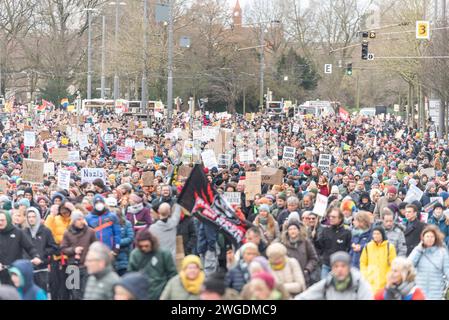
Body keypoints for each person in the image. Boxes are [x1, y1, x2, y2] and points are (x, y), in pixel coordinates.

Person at [296, 251, 373, 300]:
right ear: (332, 269)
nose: (339, 269)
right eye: (336, 266)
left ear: (349, 268)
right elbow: (305, 296)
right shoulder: (327, 283)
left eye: (343, 266)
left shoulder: (359, 284)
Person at [127, 229, 177, 300]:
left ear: (152, 243)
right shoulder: (135, 254)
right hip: (142, 292)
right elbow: (131, 275)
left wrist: (168, 292)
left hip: (161, 291)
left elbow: (172, 274)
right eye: (141, 246)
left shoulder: (164, 253)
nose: (144, 248)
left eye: (146, 246)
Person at [60, 210, 97, 300]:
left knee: (86, 293)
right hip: (73, 266)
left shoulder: (90, 232)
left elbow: (96, 246)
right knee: (75, 293)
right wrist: (73, 250)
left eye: (82, 219)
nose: (81, 221)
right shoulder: (67, 232)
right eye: (78, 220)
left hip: (86, 266)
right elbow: (63, 249)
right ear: (73, 221)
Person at [0, 211, 42, 286]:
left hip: (15, 271)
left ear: (8, 220)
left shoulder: (18, 232)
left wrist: (36, 256)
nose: (0, 222)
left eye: (2, 220)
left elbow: (30, 248)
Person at [409, 225, 449, 300]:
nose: (429, 239)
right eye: (427, 236)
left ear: (435, 238)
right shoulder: (418, 250)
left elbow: (447, 270)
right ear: (423, 238)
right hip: (420, 291)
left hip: (436, 292)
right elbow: (409, 265)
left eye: (432, 236)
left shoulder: (442, 252)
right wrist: (419, 249)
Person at [23, 207, 57, 291]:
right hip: (28, 268)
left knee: (41, 293)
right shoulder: (23, 232)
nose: (31, 219)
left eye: (33, 217)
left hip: (41, 267)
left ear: (37, 217)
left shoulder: (45, 231)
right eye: (29, 217)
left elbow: (53, 247)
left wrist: (42, 256)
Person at [315, 207, 352, 279]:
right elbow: (319, 246)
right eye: (330, 217)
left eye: (334, 217)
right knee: (325, 287)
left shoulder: (346, 233)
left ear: (340, 218)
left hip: (340, 266)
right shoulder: (325, 230)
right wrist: (314, 237)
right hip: (327, 264)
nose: (331, 218)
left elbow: (348, 249)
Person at [280, 219, 319, 286]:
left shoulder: (305, 242)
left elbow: (314, 258)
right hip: (289, 278)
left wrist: (307, 269)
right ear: (287, 231)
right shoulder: (283, 244)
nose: (292, 231)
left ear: (298, 230)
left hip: (304, 277)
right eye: (290, 229)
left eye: (294, 229)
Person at [360, 226, 397, 293]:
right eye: (374, 234)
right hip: (371, 281)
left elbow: (393, 264)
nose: (375, 236)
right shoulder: (368, 246)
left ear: (382, 235)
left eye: (378, 234)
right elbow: (363, 262)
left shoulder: (390, 247)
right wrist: (365, 274)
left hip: (385, 281)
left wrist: (389, 277)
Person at [113, 208, 134, 276]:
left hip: (124, 254)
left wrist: (117, 243)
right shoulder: (109, 225)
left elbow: (130, 238)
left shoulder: (127, 224)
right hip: (113, 256)